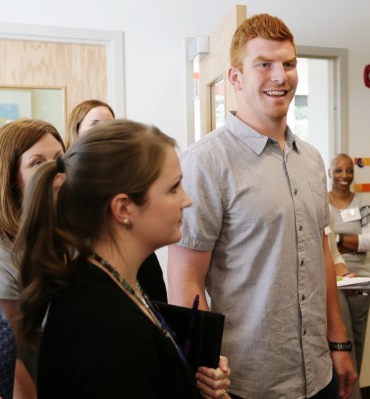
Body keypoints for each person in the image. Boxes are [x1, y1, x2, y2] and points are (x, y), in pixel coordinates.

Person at [167, 13, 356, 399]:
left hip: (318, 373)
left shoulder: (311, 159)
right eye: (264, 65)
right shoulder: (206, 163)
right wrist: (202, 364)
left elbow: (321, 253)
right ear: (235, 78)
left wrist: (338, 341)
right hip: (246, 383)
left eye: (289, 64)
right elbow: (185, 279)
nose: (280, 76)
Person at [14, 119, 230, 398]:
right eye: (173, 188)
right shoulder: (104, 326)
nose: (186, 200)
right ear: (124, 208)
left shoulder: (117, 283)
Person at [66, 99, 167, 301]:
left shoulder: (129, 173)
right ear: (76, 132)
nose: (105, 132)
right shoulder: (66, 181)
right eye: (95, 125)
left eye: (110, 125)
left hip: (140, 270)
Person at [0, 118, 65, 399]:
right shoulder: (4, 255)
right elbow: (10, 361)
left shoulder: (70, 235)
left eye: (60, 159)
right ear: (10, 178)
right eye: (37, 163)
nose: (55, 171)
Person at [328, 153, 370, 399]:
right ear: (330, 173)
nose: (344, 176)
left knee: (357, 340)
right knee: (342, 342)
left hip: (362, 281)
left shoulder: (364, 202)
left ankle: (351, 391)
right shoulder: (321, 203)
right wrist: (350, 243)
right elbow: (326, 248)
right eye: (338, 170)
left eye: (349, 170)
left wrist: (337, 238)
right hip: (333, 280)